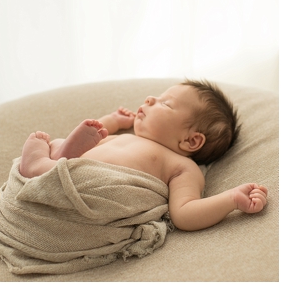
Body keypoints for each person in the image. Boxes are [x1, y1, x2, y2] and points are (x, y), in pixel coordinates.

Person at [18, 79, 267, 231]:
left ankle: (41, 166)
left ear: (191, 140)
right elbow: (98, 137)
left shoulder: (182, 167)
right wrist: (112, 122)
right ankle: (57, 160)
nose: (150, 98)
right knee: (72, 141)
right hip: (77, 163)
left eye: (164, 104)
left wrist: (231, 200)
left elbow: (185, 213)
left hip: (94, 184)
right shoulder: (129, 137)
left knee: (68, 159)